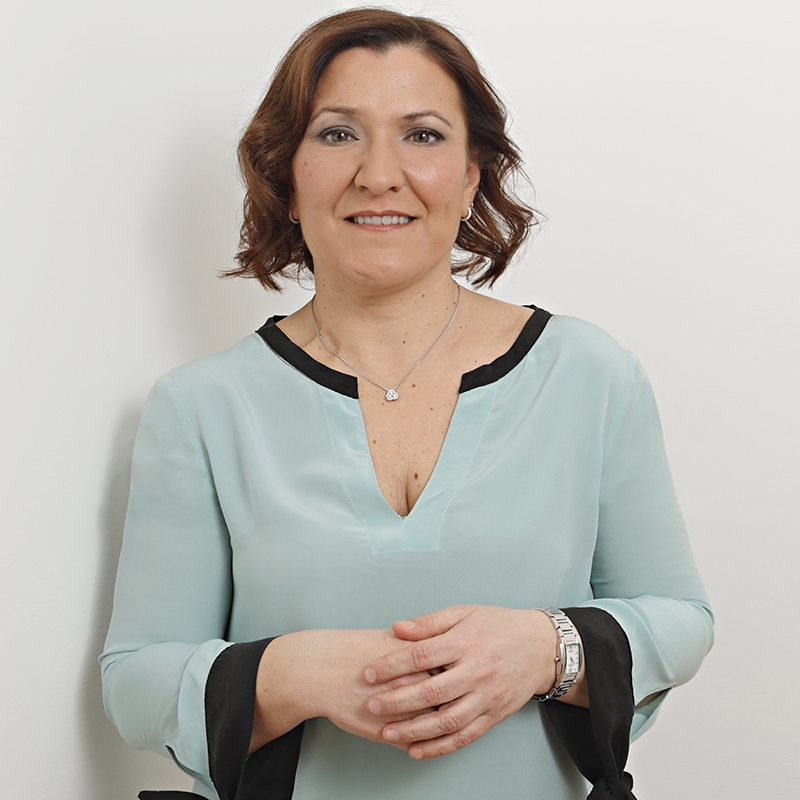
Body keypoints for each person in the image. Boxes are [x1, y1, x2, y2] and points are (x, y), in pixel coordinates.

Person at [100, 9, 713, 800]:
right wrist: (293, 672)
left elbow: (680, 617)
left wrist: (545, 648)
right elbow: (135, 682)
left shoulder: (590, 374)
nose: (379, 174)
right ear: (287, 176)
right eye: (338, 134)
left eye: (422, 135)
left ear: (471, 175)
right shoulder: (200, 407)